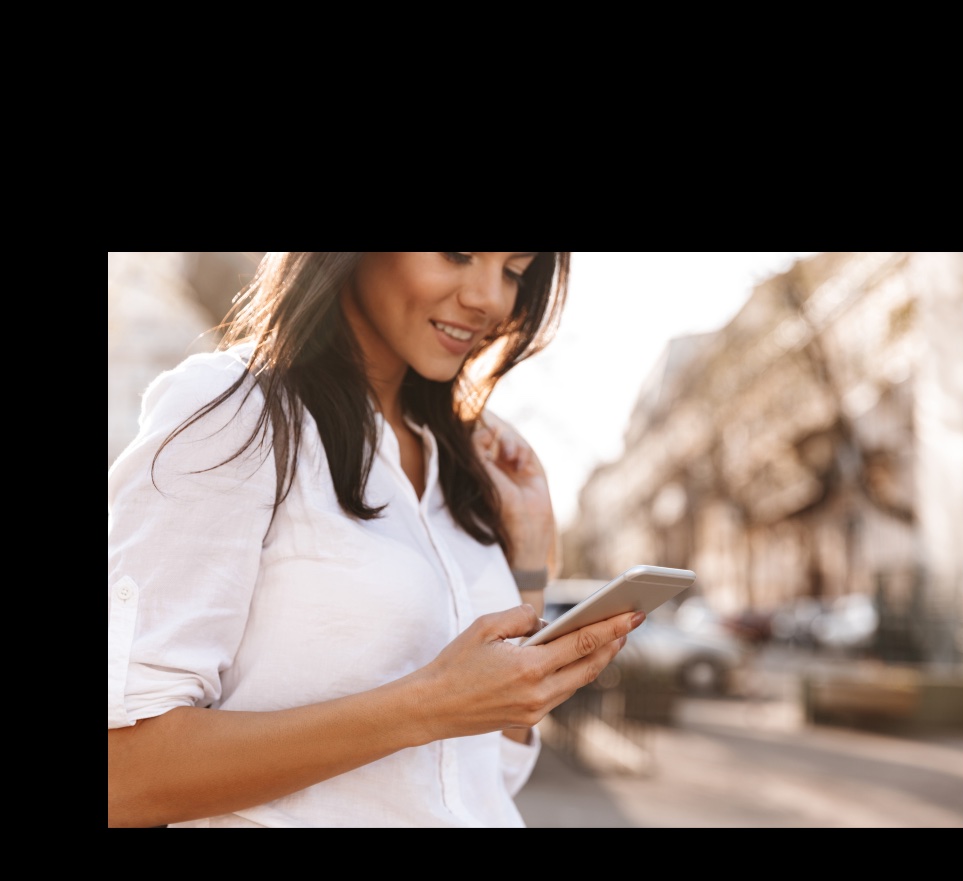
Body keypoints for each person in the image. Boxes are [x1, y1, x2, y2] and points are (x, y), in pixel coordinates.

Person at [108, 252, 646, 828]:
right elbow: (125, 777)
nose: (490, 298)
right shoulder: (234, 411)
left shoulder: (462, 465)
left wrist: (530, 558)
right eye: (459, 255)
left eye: (514, 271)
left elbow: (479, 783)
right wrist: (430, 705)